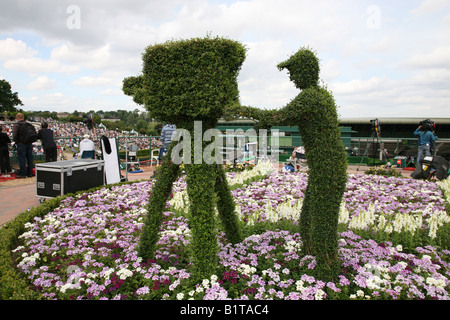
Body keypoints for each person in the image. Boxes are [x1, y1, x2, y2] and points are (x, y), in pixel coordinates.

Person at [12, 113, 35, 178]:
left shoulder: (17, 125)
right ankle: (30, 173)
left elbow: (14, 135)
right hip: (29, 143)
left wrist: (16, 141)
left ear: (17, 118)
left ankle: (23, 174)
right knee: (30, 159)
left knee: (22, 159)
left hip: (21, 143)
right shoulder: (28, 124)